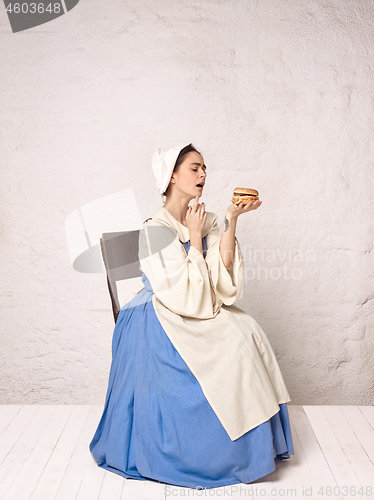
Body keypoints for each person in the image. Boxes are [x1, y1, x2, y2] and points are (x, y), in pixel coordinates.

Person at [89, 143, 294, 489]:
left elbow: (221, 276)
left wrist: (231, 219)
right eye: (194, 168)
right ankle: (208, 453)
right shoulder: (156, 227)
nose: (203, 175)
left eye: (204, 169)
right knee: (230, 341)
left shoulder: (206, 216)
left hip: (194, 301)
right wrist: (195, 238)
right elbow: (182, 291)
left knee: (246, 329)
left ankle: (247, 449)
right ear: (172, 176)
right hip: (158, 312)